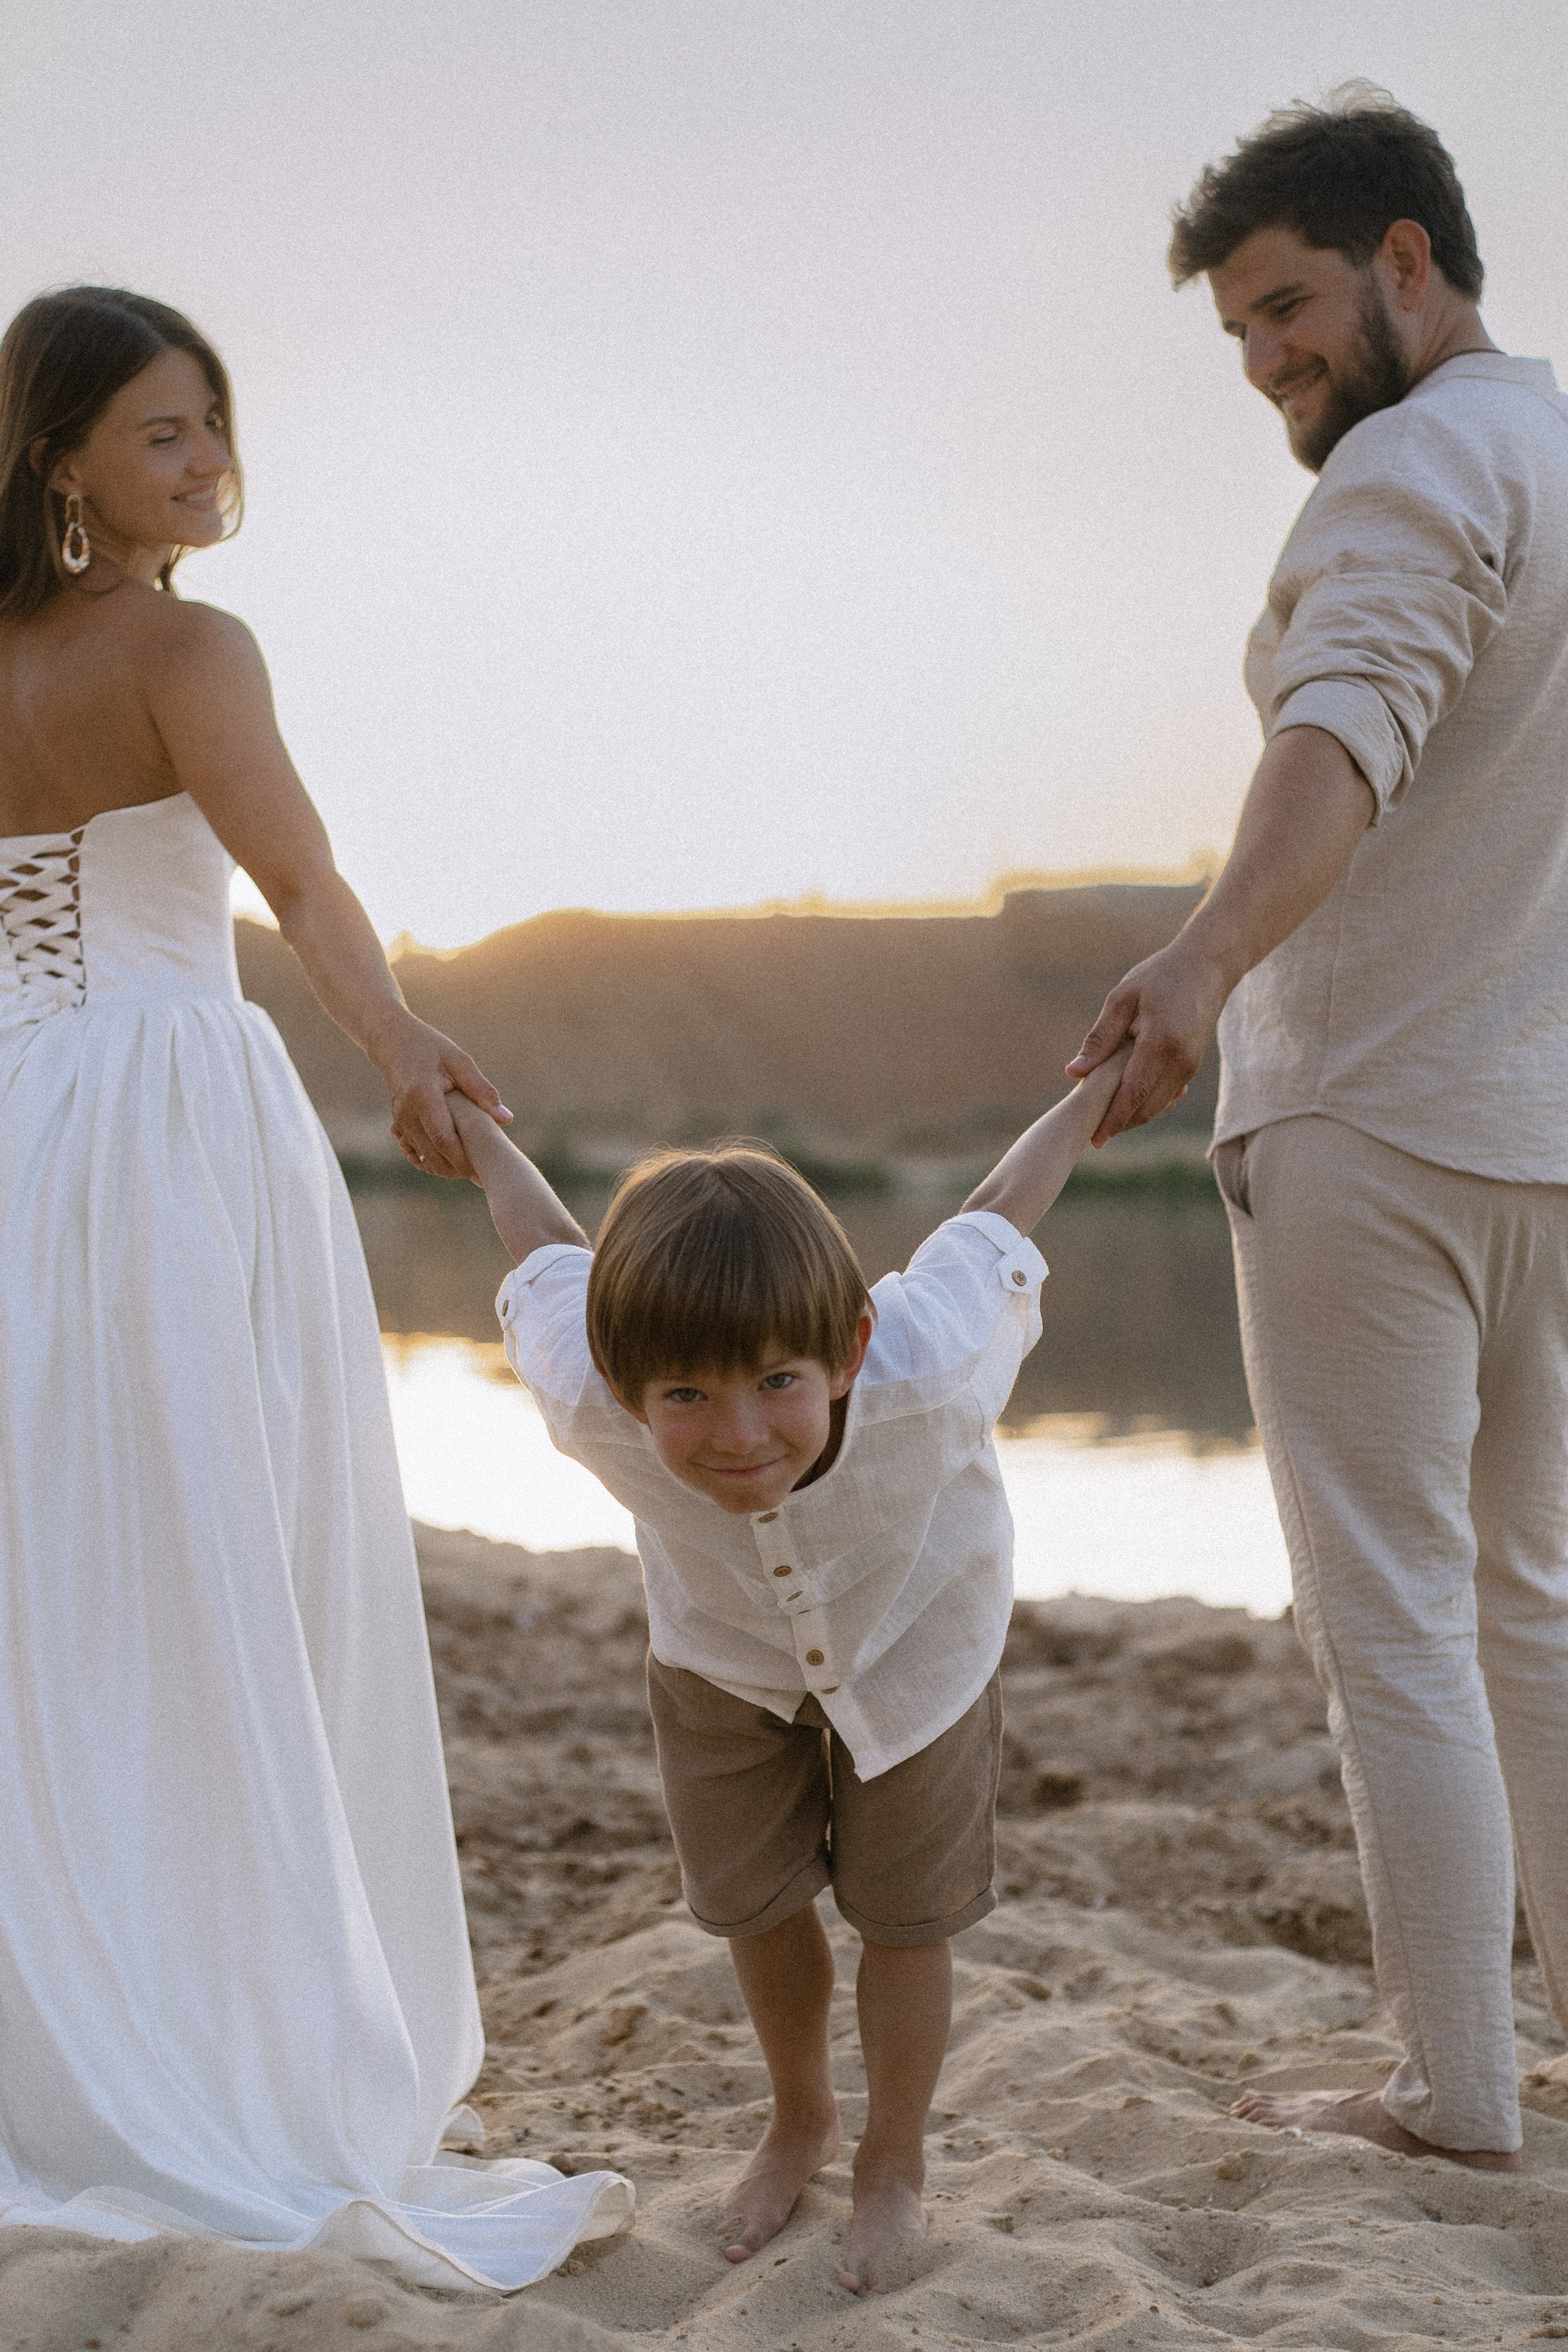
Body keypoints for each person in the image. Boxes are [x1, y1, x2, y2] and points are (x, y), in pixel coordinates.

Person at [0, 287, 631, 2286]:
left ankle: (81, 2036)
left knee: (59, 1573)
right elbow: (307, 883)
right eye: (163, 434)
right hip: (176, 1116)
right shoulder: (191, 644)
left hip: (21, 1115)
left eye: (212, 426)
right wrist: (407, 1052)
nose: (204, 464)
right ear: (61, 462)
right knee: (214, 1556)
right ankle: (230, 2046)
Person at [1069, 88, 1568, 2169]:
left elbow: (1338, 735)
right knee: (1532, 1605)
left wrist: (1195, 965)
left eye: (1285, 307)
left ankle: (1457, 2092)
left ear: (1405, 258)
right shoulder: (1555, 442)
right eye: (1243, 336)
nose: (1272, 360)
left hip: (1377, 1114)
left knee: (1399, 1630)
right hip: (1548, 1128)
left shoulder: (1406, 468)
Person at [445, 1046, 1129, 2291]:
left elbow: (993, 1214)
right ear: (618, 1381)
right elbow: (543, 1246)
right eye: (687, 1399)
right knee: (752, 1899)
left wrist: (1092, 1093)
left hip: (918, 1639)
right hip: (720, 1656)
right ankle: (801, 2115)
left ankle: (893, 2160)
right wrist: (475, 1129)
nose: (739, 1433)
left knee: (902, 1918)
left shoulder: (929, 1359)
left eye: (776, 1382)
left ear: (849, 1347)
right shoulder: (582, 1385)